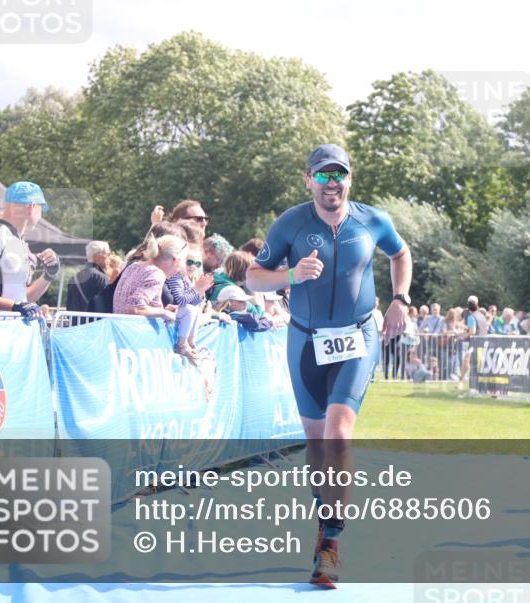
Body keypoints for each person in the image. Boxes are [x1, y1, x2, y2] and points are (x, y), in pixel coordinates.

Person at [245, 143, 411, 588]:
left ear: (350, 179)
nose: (331, 182)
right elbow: (252, 277)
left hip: (357, 338)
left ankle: (331, 544)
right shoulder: (291, 223)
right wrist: (291, 276)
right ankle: (326, 516)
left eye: (338, 174)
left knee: (339, 433)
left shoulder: (372, 220)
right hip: (305, 342)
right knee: (316, 444)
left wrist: (399, 299)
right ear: (308, 180)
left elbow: (400, 254)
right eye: (322, 175)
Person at [0, 181, 60, 304]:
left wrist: (49, 275)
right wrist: (13, 307)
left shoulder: (18, 241)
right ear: (31, 207)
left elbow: (23, 298)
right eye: (41, 210)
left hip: (8, 322)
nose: (40, 217)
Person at [112, 234, 185, 323]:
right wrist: (165, 313)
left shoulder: (134, 266)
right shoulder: (156, 274)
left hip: (120, 329)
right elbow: (134, 308)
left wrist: (162, 310)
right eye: (183, 261)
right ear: (175, 260)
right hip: (134, 333)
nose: (182, 267)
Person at [164, 244, 215, 360]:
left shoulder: (186, 278)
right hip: (173, 311)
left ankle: (190, 342)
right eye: (189, 262)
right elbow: (181, 300)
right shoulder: (175, 277)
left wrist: (201, 292)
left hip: (181, 313)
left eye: (197, 264)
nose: (193, 266)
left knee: (195, 310)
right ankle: (181, 344)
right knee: (191, 310)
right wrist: (196, 289)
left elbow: (194, 302)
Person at [65, 241, 111, 312]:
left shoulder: (73, 278)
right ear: (96, 256)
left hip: (75, 322)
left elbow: (69, 307)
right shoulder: (101, 278)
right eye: (107, 254)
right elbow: (107, 306)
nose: (109, 258)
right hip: (95, 322)